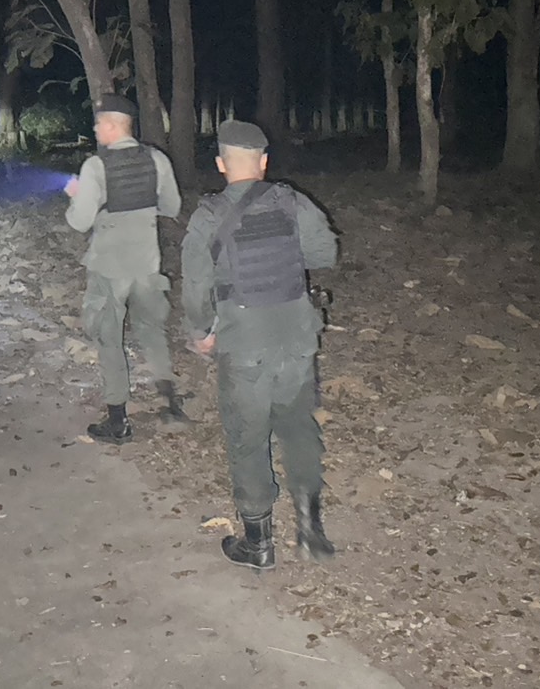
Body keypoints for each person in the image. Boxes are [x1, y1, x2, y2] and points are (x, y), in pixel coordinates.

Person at [181, 119, 339, 569]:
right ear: (264, 162)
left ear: (220, 164)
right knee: (299, 427)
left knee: (247, 437)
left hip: (243, 342)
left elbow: (195, 286)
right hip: (296, 337)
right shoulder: (292, 201)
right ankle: (310, 529)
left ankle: (258, 544)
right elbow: (326, 254)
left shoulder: (208, 216)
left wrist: (201, 332)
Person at [64, 94, 184, 442]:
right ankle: (170, 404)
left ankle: (118, 421)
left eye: (98, 123)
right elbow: (172, 207)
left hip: (110, 269)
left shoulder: (95, 167)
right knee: (152, 331)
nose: (95, 129)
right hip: (148, 265)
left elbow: (79, 222)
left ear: (113, 125)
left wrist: (76, 195)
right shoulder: (157, 159)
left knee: (109, 339)